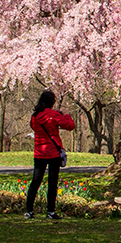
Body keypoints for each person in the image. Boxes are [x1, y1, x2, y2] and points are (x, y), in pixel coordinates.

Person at [25, 90, 75, 219]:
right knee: (52, 183)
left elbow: (33, 127)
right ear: (52, 102)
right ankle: (50, 211)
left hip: (39, 152)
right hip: (53, 152)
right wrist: (66, 115)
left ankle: (29, 210)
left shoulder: (35, 116)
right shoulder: (54, 115)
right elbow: (70, 126)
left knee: (35, 181)